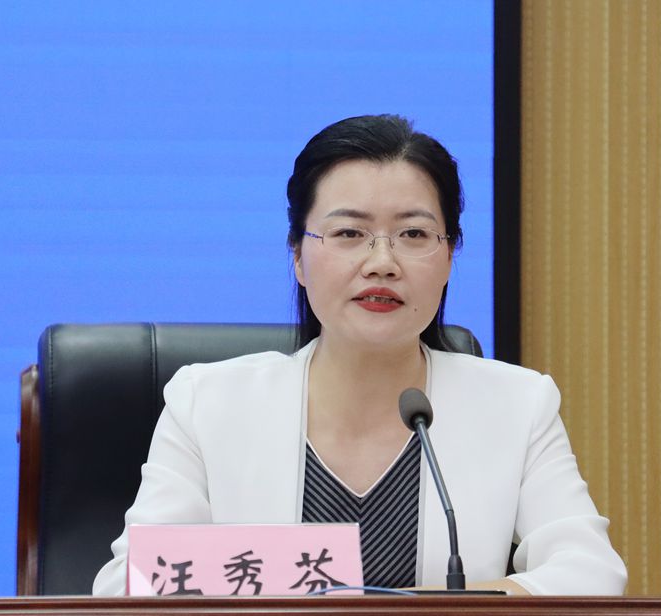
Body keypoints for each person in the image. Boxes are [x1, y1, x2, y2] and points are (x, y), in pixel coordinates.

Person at [92, 114, 627, 596]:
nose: (382, 262)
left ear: (448, 257)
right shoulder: (206, 404)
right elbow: (126, 589)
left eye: (413, 233)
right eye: (349, 232)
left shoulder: (518, 404)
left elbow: (591, 572)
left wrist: (423, 611)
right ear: (298, 256)